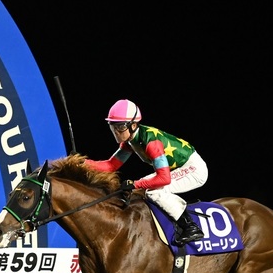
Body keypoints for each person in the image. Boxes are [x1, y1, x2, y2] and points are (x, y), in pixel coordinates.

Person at [84, 99, 208, 246]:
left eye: (120, 126)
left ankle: (190, 227)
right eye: (113, 126)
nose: (116, 131)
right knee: (141, 189)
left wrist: (135, 184)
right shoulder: (130, 141)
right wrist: (82, 163)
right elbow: (111, 165)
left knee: (153, 192)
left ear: (133, 125)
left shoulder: (151, 143)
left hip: (194, 169)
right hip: (176, 169)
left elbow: (164, 178)